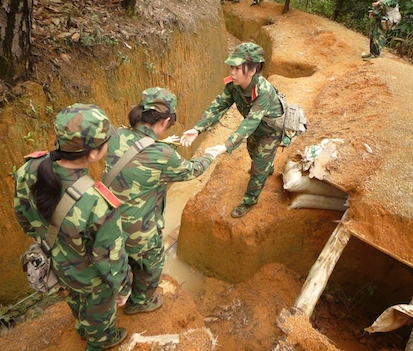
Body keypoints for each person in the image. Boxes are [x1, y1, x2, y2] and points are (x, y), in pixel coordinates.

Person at [14, 104, 130, 351]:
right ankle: (100, 341)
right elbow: (109, 259)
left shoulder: (30, 169)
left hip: (56, 264)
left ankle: (81, 325)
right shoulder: (97, 202)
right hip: (88, 276)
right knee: (97, 305)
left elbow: (22, 215)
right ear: (92, 155)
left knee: (75, 298)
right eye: (105, 143)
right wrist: (123, 286)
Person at [103, 87, 224, 315]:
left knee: (119, 255)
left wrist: (163, 143)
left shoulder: (116, 135)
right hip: (139, 231)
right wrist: (211, 154)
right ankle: (139, 303)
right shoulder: (163, 155)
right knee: (151, 262)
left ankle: (119, 283)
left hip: (106, 222)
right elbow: (192, 170)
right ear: (166, 121)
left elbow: (137, 154)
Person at [180, 42, 286, 218]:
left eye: (237, 68)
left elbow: (250, 123)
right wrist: (198, 129)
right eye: (231, 67)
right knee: (253, 153)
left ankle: (249, 201)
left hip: (270, 132)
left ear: (252, 71)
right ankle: (267, 165)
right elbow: (218, 106)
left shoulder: (264, 91)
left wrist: (225, 146)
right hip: (255, 129)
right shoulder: (233, 85)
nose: (232, 72)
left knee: (258, 167)